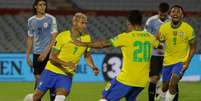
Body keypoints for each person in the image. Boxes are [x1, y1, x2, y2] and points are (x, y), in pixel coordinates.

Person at [73, 10, 161, 101]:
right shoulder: (150, 37)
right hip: (142, 81)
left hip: (126, 79)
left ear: (129, 22)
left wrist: (83, 44)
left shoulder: (126, 37)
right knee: (131, 98)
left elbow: (102, 44)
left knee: (105, 98)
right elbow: (160, 45)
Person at [30, 12, 99, 101]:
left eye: (86, 23)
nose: (85, 26)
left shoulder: (87, 38)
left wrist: (93, 67)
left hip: (66, 75)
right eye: (82, 23)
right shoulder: (62, 36)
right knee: (36, 97)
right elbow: (52, 57)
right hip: (51, 71)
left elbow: (86, 54)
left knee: (61, 96)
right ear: (74, 22)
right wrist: (66, 64)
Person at [157, 5, 196, 101]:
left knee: (173, 82)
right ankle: (160, 91)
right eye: (173, 12)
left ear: (182, 16)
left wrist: (187, 62)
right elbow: (159, 41)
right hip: (167, 62)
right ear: (169, 14)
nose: (175, 14)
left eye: (178, 12)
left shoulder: (188, 29)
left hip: (181, 61)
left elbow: (193, 47)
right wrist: (157, 44)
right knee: (165, 87)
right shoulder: (163, 28)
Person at [144, 2, 179, 101]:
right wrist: (155, 45)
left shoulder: (172, 21)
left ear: (168, 12)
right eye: (161, 14)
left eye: (165, 15)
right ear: (158, 11)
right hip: (155, 55)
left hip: (169, 55)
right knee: (154, 78)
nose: (163, 17)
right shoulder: (151, 21)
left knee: (172, 80)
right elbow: (146, 36)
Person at [26, 0, 58, 100]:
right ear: (35, 6)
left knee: (51, 79)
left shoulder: (51, 19)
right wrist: (27, 55)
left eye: (44, 5)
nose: (42, 7)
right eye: (40, 5)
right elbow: (30, 38)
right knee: (38, 79)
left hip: (50, 54)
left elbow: (54, 38)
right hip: (37, 54)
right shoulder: (31, 20)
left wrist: (45, 52)